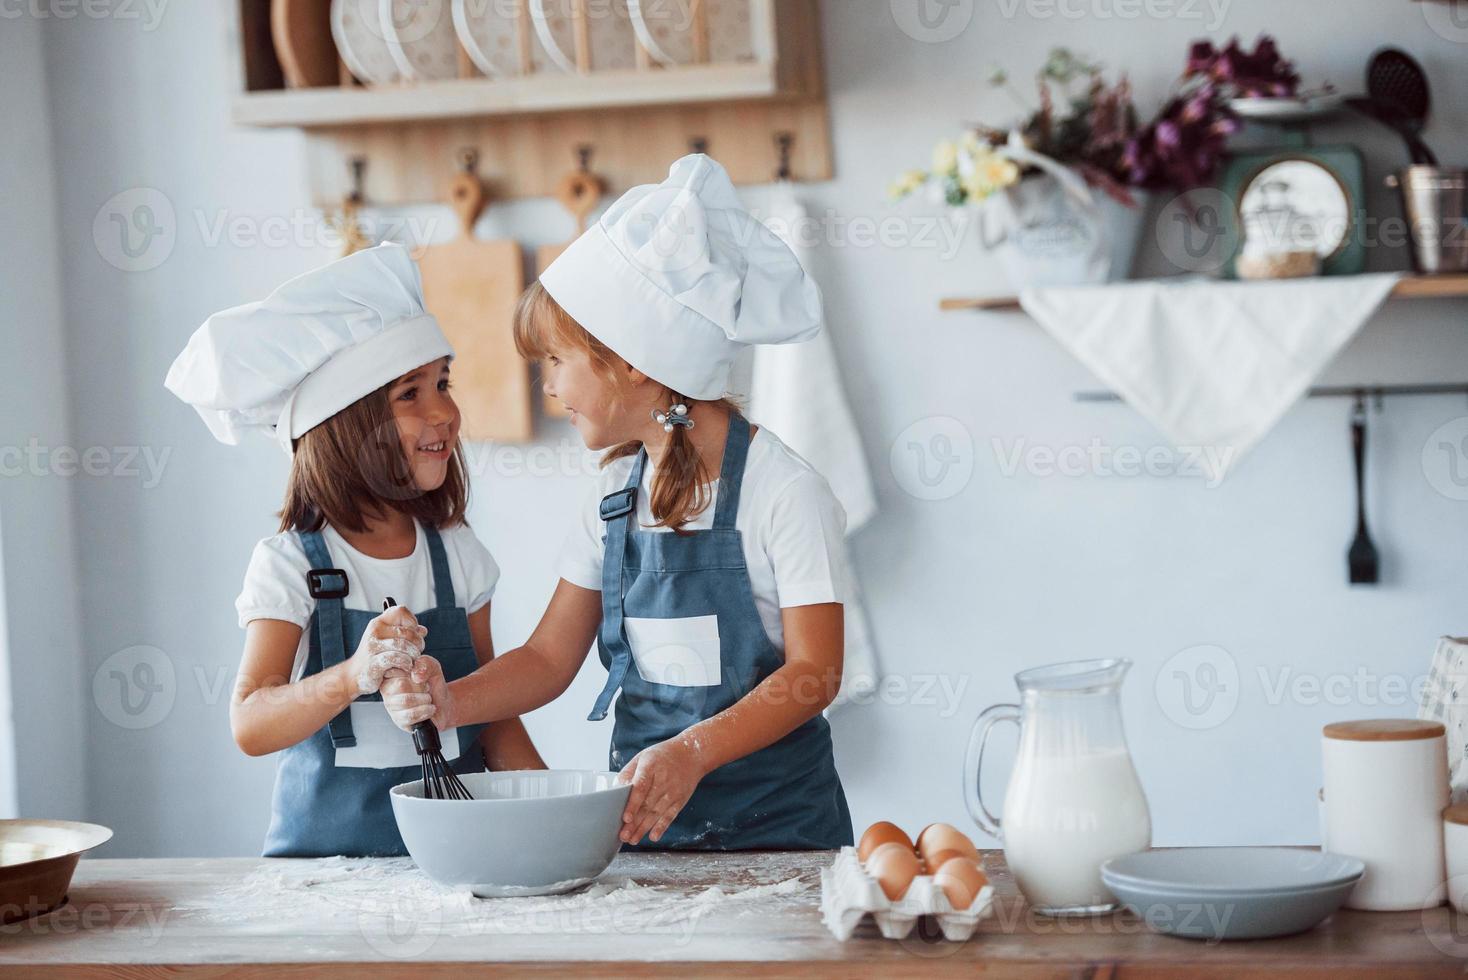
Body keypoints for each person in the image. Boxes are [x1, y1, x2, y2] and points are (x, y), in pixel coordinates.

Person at [387, 155, 854, 850]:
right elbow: (548, 658)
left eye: (558, 360)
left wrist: (693, 751)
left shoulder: (781, 491)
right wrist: (454, 701)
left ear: (633, 359)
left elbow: (814, 674)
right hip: (647, 837)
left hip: (782, 835)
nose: (549, 387)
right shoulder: (612, 494)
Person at [166, 244, 544, 857]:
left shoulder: (457, 555)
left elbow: (490, 712)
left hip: (460, 858)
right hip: (325, 876)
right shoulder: (293, 565)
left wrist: (554, 809)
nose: (445, 411)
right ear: (346, 425)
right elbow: (252, 722)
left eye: (443, 383)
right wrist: (352, 675)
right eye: (411, 394)